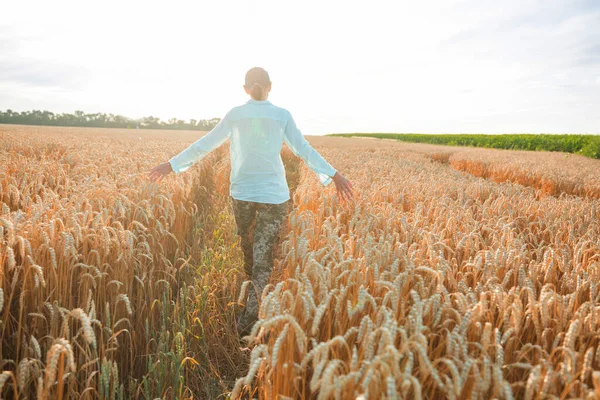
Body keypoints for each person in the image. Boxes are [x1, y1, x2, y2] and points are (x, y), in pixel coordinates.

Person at [148, 67, 354, 335]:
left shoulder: (236, 114)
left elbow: (206, 144)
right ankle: (255, 302)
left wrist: (172, 165)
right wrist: (333, 174)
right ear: (270, 86)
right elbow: (303, 149)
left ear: (245, 88)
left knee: (250, 252)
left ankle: (249, 316)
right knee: (262, 257)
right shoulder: (282, 115)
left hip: (242, 195)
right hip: (274, 197)